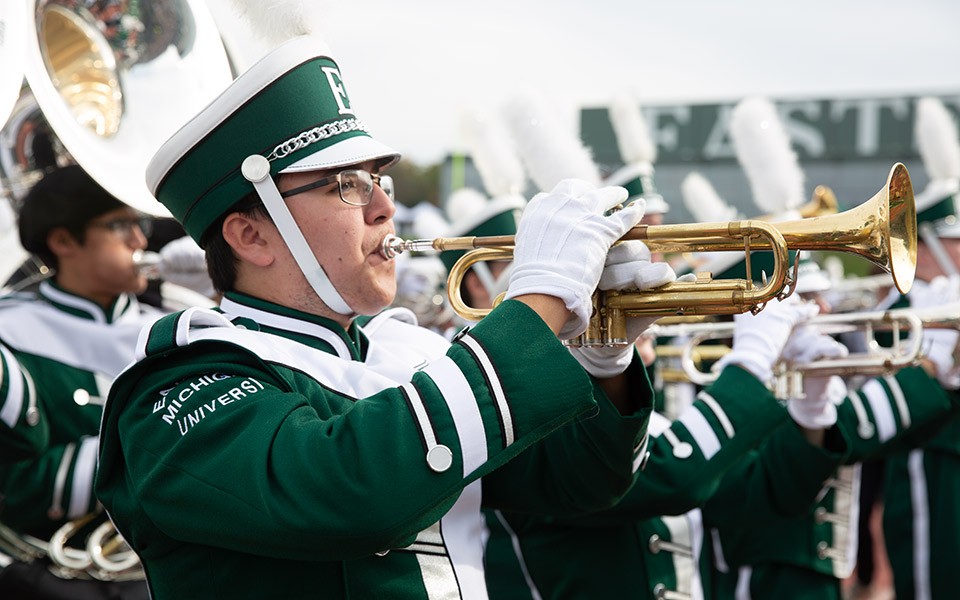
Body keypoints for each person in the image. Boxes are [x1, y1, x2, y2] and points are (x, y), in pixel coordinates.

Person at [94, 35, 676, 599]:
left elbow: (582, 480)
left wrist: (603, 359)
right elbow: (349, 491)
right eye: (347, 184)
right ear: (251, 235)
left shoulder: (407, 354)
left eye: (379, 179)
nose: (384, 206)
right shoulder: (179, 386)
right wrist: (541, 302)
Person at [0, 164, 160, 598]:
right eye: (120, 225)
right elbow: (14, 488)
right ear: (63, 241)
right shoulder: (10, 334)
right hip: (53, 581)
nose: (140, 241)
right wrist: (156, 445)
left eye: (140, 223)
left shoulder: (176, 327)